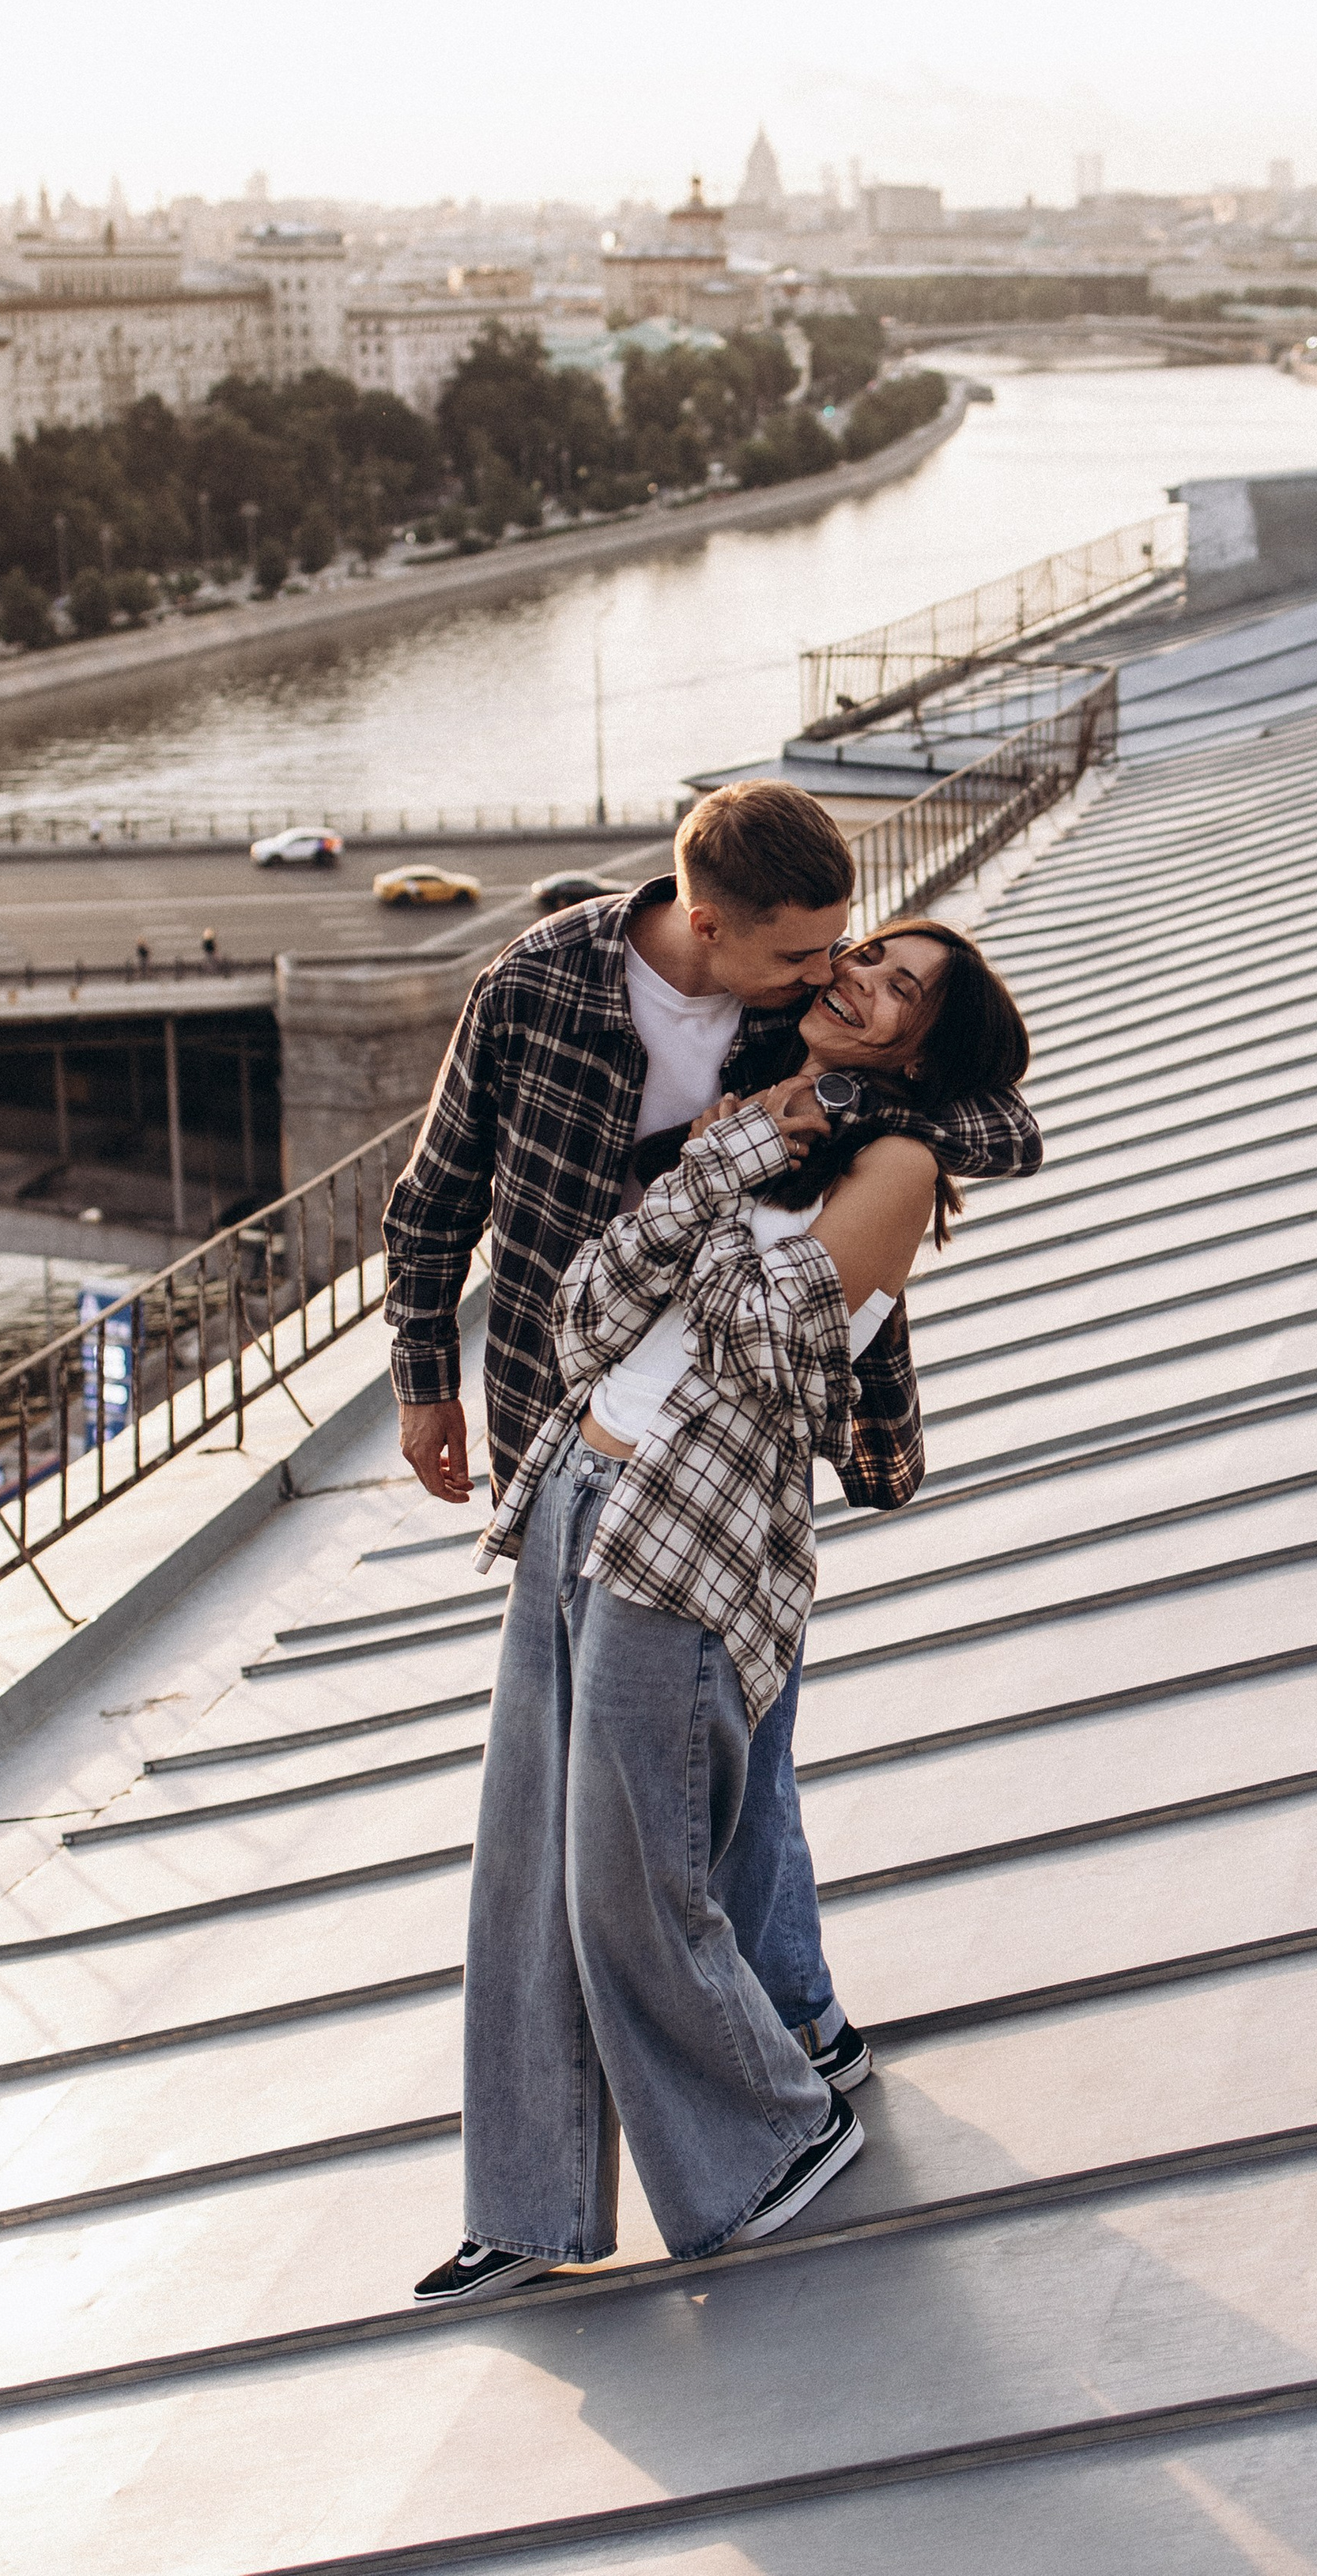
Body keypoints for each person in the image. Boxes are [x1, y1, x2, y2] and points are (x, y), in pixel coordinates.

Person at [383, 780, 1040, 2082]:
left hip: (729, 1434)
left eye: (846, 952)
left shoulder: (804, 1004)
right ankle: (739, 2036)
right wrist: (420, 1380)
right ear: (705, 922)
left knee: (734, 1750)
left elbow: (991, 1115)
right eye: (803, 956)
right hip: (561, 1403)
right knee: (623, 1780)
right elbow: (437, 1190)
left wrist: (836, 1113)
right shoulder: (537, 990)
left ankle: (792, 2028)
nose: (829, 976)